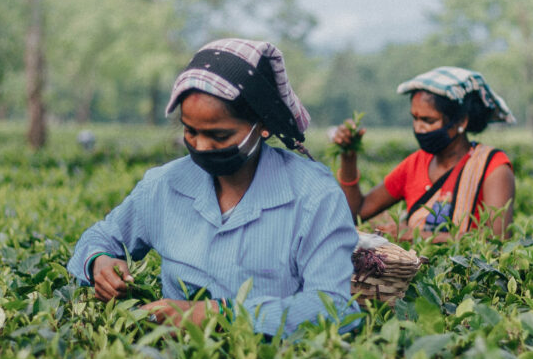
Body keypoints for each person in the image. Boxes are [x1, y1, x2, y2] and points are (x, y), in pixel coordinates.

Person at [67, 38, 359, 336]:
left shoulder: (314, 196)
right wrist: (98, 263)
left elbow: (336, 307)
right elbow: (100, 238)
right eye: (190, 131)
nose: (202, 146)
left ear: (263, 124)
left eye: (219, 135)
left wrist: (215, 314)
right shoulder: (163, 186)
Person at [331, 67, 516, 242]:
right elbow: (357, 212)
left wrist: (416, 235)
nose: (418, 128)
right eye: (415, 118)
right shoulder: (416, 163)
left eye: (428, 120)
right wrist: (349, 157)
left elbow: (497, 240)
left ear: (461, 121)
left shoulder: (493, 166)